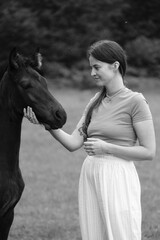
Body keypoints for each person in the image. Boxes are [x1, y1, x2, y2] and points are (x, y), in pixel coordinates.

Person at [24, 40, 156, 240]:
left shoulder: (136, 101)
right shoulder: (95, 101)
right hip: (91, 174)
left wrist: (106, 147)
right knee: (94, 234)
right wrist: (46, 123)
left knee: (121, 233)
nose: (92, 73)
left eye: (96, 67)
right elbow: (73, 143)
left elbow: (149, 151)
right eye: (91, 67)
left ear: (115, 65)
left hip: (118, 175)